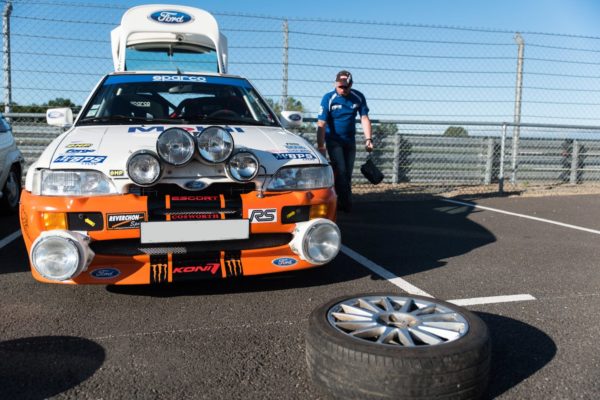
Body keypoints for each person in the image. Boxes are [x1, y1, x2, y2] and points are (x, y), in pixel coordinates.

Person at [316, 70, 373, 212]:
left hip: (350, 141)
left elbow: (364, 118)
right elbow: (321, 123)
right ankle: (345, 203)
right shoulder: (328, 98)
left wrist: (368, 139)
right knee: (340, 171)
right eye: (340, 86)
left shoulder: (358, 97)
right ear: (335, 84)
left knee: (347, 173)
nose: (343, 89)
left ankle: (341, 200)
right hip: (333, 140)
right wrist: (321, 146)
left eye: (346, 86)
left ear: (351, 85)